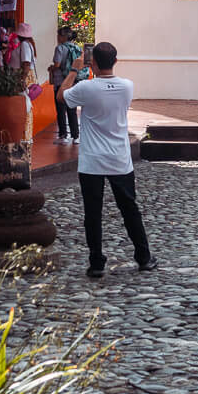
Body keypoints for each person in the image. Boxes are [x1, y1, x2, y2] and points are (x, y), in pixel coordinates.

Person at [57, 41, 156, 278]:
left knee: (93, 212)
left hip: (92, 160)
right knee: (129, 209)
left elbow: (61, 97)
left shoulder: (87, 88)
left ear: (92, 64)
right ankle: (143, 256)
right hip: (119, 158)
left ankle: (97, 263)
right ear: (115, 61)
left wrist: (73, 70)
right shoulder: (127, 86)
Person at [49, 26, 79, 145]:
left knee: (61, 110)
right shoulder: (76, 47)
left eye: (58, 35)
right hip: (72, 82)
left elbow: (57, 64)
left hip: (60, 83)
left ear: (63, 37)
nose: (57, 37)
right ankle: (76, 136)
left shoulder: (60, 48)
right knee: (72, 110)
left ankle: (63, 136)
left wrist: (51, 68)